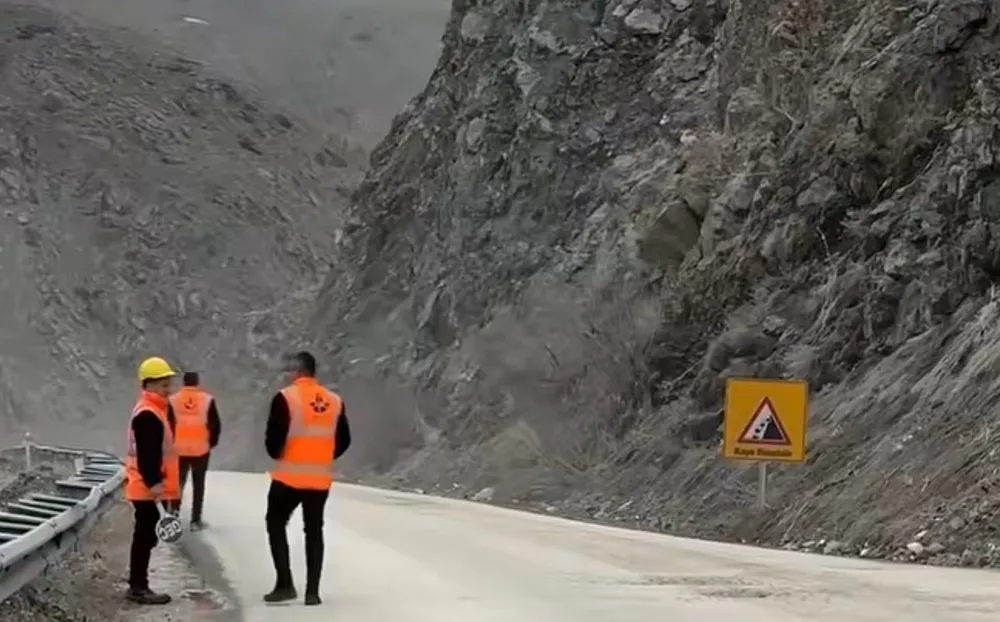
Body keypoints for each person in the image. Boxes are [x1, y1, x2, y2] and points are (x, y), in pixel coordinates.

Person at [263, 351, 351, 606]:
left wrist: (282, 454)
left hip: (288, 478)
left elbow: (274, 442)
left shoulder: (285, 398)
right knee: (314, 531)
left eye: (291, 369)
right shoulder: (334, 400)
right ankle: (312, 592)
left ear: (299, 371)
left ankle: (285, 584)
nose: (288, 374)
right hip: (319, 479)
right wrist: (323, 455)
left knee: (276, 522)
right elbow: (344, 439)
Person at [125, 356, 181, 605]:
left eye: (168, 383)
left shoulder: (154, 409)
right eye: (162, 384)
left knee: (146, 536)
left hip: (146, 486)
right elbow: (148, 454)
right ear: (147, 385)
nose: (167, 389)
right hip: (147, 487)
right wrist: (156, 484)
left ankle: (138, 584)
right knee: (145, 537)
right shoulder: (148, 414)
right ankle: (138, 587)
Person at [168, 371, 221, 531]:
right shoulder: (207, 400)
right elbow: (216, 425)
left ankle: (174, 515)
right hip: (201, 450)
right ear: (197, 382)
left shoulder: (173, 400)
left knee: (178, 484)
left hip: (178, 449)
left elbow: (168, 424)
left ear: (184, 382)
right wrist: (210, 443)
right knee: (199, 485)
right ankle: (195, 520)